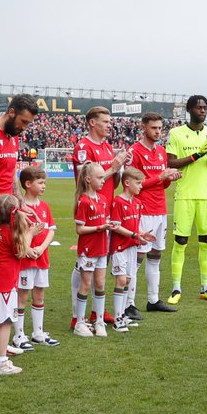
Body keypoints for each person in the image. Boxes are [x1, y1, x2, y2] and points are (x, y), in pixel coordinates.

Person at [71, 106, 131, 325]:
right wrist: (112, 168)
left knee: (100, 263)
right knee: (85, 262)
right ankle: (77, 315)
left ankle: (98, 311)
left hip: (105, 207)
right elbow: (85, 182)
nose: (109, 125)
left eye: (109, 121)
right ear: (92, 123)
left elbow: (112, 184)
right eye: (105, 121)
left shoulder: (106, 146)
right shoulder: (83, 147)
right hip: (90, 210)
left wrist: (120, 168)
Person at [165, 95, 207, 304]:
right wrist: (196, 155)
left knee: (206, 241)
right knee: (180, 241)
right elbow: (171, 163)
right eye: (199, 107)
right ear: (189, 110)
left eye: (205, 107)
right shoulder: (176, 133)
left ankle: (205, 287)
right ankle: (176, 288)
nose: (202, 110)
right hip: (185, 195)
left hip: (206, 195)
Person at [129, 113, 180, 316]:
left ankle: (153, 299)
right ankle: (129, 303)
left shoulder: (161, 151)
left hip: (160, 210)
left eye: (160, 128)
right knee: (138, 257)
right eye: (154, 128)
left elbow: (162, 184)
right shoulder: (134, 152)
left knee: (156, 255)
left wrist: (169, 178)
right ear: (143, 127)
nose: (158, 132)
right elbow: (135, 185)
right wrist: (160, 176)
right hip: (143, 210)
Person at [0, 195, 33, 375]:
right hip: (4, 284)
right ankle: (0, 361)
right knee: (5, 322)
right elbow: (22, 252)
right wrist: (30, 233)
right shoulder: (11, 233)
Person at [16, 166, 59, 348]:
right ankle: (19, 335)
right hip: (25, 261)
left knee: (39, 294)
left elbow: (51, 230)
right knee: (22, 296)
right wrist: (26, 249)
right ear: (28, 184)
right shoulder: (20, 209)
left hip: (42, 258)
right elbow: (16, 234)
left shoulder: (44, 207)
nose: (44, 186)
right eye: (40, 183)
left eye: (44, 183)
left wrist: (41, 247)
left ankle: (38, 332)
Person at [72, 163, 116, 339]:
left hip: (102, 248)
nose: (103, 180)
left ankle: (99, 321)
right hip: (88, 250)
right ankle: (79, 322)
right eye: (99, 177)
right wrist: (100, 227)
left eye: (103, 177)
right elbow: (80, 229)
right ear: (88, 179)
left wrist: (109, 225)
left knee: (100, 284)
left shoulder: (103, 199)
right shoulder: (83, 201)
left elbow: (105, 222)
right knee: (85, 284)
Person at [109, 168, 154, 333]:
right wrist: (135, 235)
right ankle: (117, 319)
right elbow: (116, 226)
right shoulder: (118, 202)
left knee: (127, 280)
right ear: (127, 183)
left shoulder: (137, 203)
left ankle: (122, 315)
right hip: (120, 247)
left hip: (132, 247)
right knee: (121, 280)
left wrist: (143, 234)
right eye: (138, 183)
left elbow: (134, 227)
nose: (141, 186)